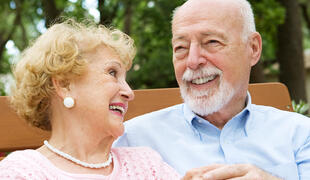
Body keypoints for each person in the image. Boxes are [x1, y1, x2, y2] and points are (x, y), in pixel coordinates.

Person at [114, 0, 310, 179]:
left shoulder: (300, 134)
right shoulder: (132, 140)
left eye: (212, 42)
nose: (192, 61)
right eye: (181, 47)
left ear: (253, 48)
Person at [0, 19, 180, 179]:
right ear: (64, 85)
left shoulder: (146, 165)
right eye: (112, 73)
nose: (129, 92)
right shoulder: (22, 172)